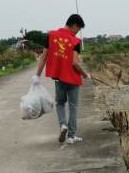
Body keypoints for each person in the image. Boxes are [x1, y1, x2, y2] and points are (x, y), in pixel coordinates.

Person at [31, 14, 91, 144]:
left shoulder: (51, 35)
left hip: (59, 79)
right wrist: (85, 75)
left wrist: (37, 75)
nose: (77, 33)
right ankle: (71, 136)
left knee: (60, 103)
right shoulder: (75, 41)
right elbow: (75, 63)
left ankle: (63, 125)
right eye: (78, 30)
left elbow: (43, 57)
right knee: (73, 107)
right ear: (74, 26)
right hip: (73, 79)